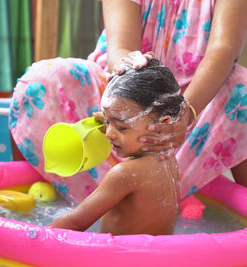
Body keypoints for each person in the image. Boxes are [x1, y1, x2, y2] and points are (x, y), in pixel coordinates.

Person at [9, 0, 247, 206]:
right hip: (119, 90)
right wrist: (130, 72)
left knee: (245, 92)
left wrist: (185, 112)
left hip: (192, 106)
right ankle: (38, 200)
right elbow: (120, 47)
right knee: (41, 82)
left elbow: (223, 49)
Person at [50, 59, 182, 235]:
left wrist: (35, 236)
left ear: (162, 124)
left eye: (120, 127)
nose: (109, 134)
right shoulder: (168, 160)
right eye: (106, 121)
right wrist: (114, 122)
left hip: (117, 258)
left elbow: (75, 223)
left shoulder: (125, 174)